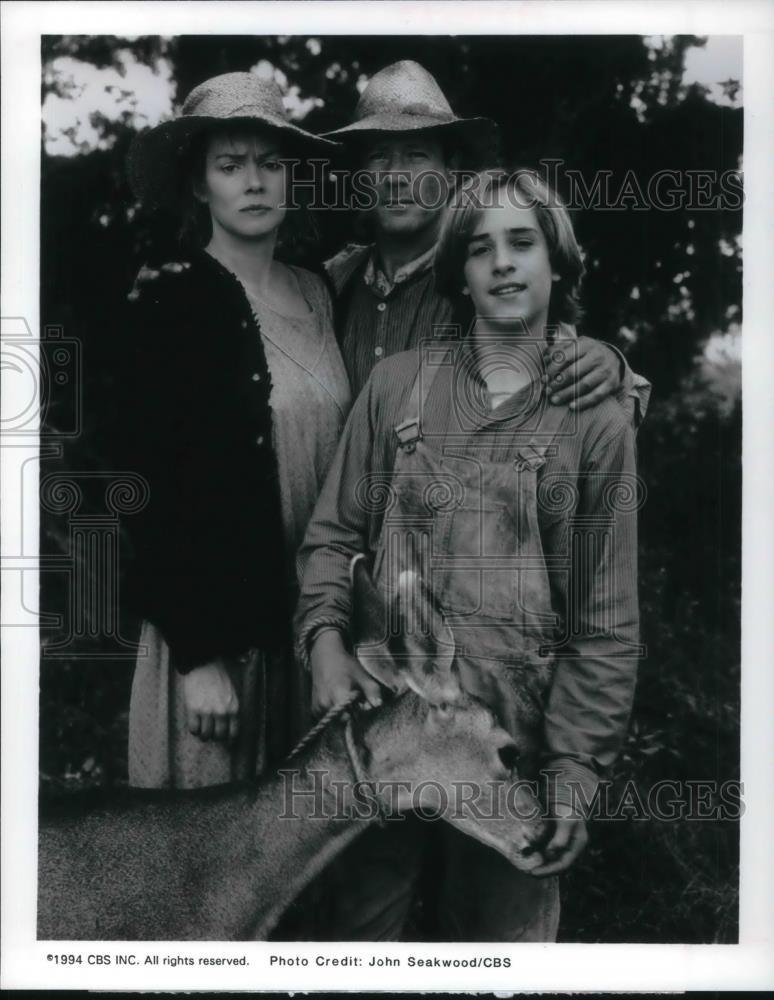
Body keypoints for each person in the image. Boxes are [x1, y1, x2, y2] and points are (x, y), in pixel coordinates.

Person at [295, 168, 641, 941]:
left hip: (512, 750)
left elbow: (604, 621)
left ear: (559, 264)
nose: (504, 263)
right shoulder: (397, 388)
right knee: (356, 946)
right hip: (387, 727)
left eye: (524, 242)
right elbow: (334, 538)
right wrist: (323, 639)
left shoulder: (596, 423)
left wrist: (575, 770)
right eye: (480, 249)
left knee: (501, 956)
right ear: (458, 273)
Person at [121, 72, 350, 789]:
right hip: (220, 638)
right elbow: (145, 493)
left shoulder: (321, 291)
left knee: (301, 872)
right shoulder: (174, 302)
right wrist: (195, 658)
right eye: (230, 165)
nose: (253, 181)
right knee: (208, 883)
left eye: (270, 162)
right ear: (199, 186)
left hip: (313, 633)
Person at [322, 59, 651, 418]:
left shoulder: (489, 277)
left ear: (451, 172)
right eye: (379, 156)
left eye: (416, 155)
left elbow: (583, 384)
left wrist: (613, 366)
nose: (396, 176)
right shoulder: (329, 284)